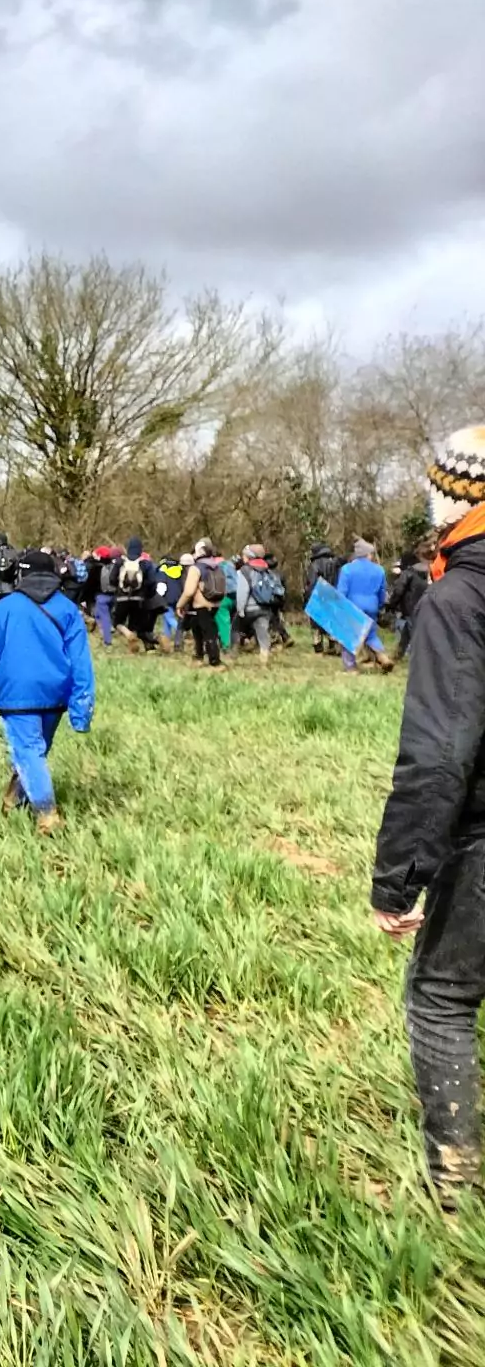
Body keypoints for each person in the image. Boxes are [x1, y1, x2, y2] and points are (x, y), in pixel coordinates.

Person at [371, 426, 485, 1207]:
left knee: (441, 996)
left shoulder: (457, 598)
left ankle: (453, 1183)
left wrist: (396, 881)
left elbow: (440, 756)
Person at [0, 549, 95, 836]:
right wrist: (81, 707)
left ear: (20, 574)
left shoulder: (4, 608)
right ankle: (13, 799)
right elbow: (81, 661)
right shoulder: (68, 609)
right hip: (55, 694)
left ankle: (47, 815)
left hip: (16, 693)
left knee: (28, 752)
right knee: (35, 751)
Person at [338, 538, 396, 674]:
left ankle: (351, 667)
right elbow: (382, 592)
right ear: (368, 554)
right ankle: (383, 656)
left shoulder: (347, 570)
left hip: (352, 606)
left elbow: (341, 592)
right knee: (371, 635)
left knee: (349, 636)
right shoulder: (379, 570)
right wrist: (380, 605)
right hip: (372, 606)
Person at [177, 541, 228, 669]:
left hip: (201, 605)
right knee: (198, 629)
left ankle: (215, 661)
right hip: (215, 603)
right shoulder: (217, 566)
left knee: (208, 633)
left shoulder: (196, 568)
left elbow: (189, 591)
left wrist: (180, 605)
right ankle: (198, 657)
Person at [232, 545, 282, 665]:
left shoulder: (244, 571)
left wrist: (240, 609)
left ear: (249, 557)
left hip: (249, 608)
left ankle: (231, 656)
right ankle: (264, 658)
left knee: (234, 629)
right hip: (265, 608)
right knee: (262, 633)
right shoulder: (267, 570)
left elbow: (242, 591)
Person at [393, 541, 433, 662]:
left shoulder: (409, 572)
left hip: (412, 606)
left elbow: (399, 590)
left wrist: (392, 604)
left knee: (414, 631)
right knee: (409, 630)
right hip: (431, 605)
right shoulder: (437, 570)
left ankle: (418, 658)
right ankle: (398, 654)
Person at [306, 541, 342, 653]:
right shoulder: (336, 563)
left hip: (319, 595)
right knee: (331, 621)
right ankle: (333, 646)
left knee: (316, 623)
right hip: (334, 595)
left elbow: (311, 582)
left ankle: (318, 647)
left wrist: (308, 597)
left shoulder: (315, 564)